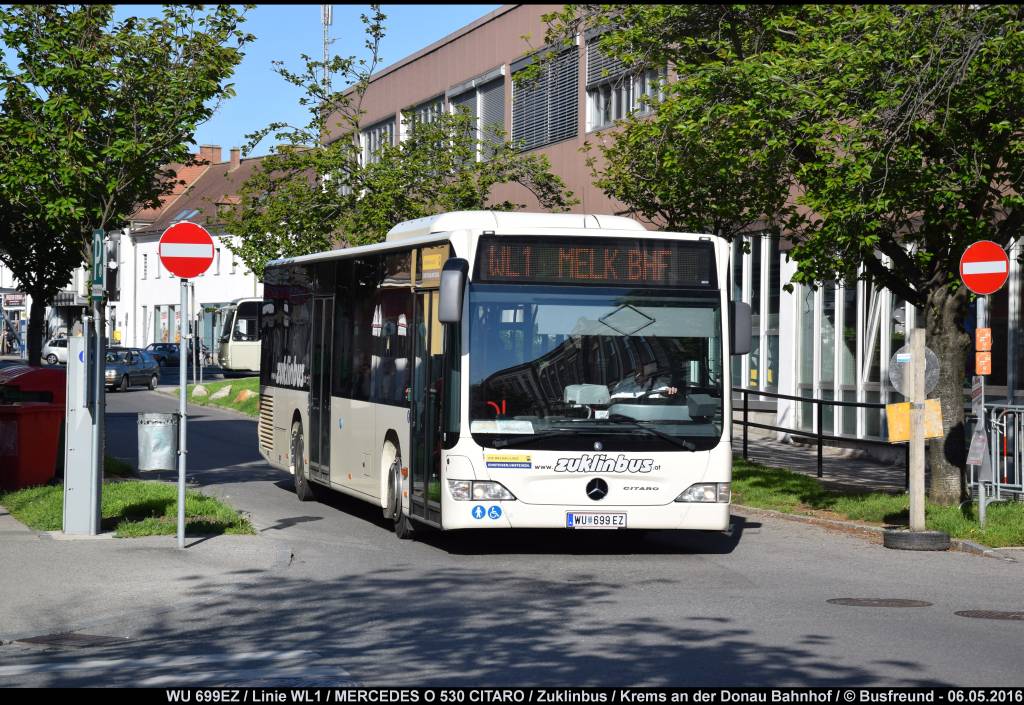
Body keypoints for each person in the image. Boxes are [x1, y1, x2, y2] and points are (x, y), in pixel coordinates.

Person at [610, 366, 678, 401]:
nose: (640, 369)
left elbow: (664, 395)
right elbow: (613, 400)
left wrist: (668, 394)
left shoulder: (659, 384)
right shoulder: (623, 384)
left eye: (643, 366)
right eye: (637, 365)